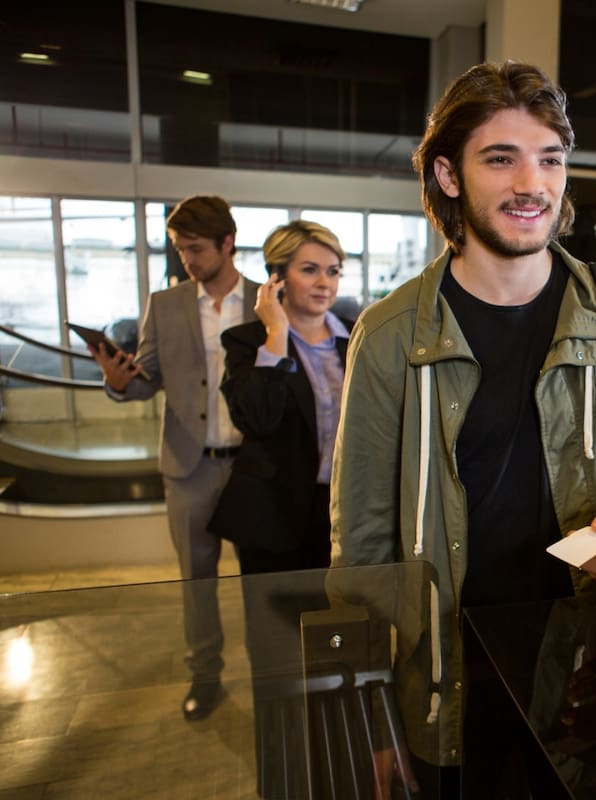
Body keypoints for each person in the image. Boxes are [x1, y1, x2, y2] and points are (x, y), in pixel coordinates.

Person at [330, 61, 596, 792]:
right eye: (501, 158)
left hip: (587, 667)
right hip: (446, 676)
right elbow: (364, 545)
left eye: (550, 159)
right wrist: (371, 716)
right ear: (448, 175)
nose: (532, 183)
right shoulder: (392, 333)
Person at [92, 195, 260, 721]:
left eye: (194, 249)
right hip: (190, 467)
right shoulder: (163, 306)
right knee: (197, 579)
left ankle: (271, 673)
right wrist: (119, 383)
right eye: (180, 250)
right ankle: (204, 675)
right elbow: (147, 381)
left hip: (255, 467)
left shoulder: (265, 300)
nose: (186, 259)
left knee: (262, 579)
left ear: (226, 244)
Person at [206, 219, 352, 798]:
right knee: (274, 660)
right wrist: (274, 335)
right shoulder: (247, 341)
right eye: (309, 269)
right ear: (277, 278)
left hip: (339, 521)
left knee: (337, 649)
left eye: (333, 270)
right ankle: (282, 777)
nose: (324, 282)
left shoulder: (355, 339)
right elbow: (257, 419)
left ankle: (335, 763)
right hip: (271, 522)